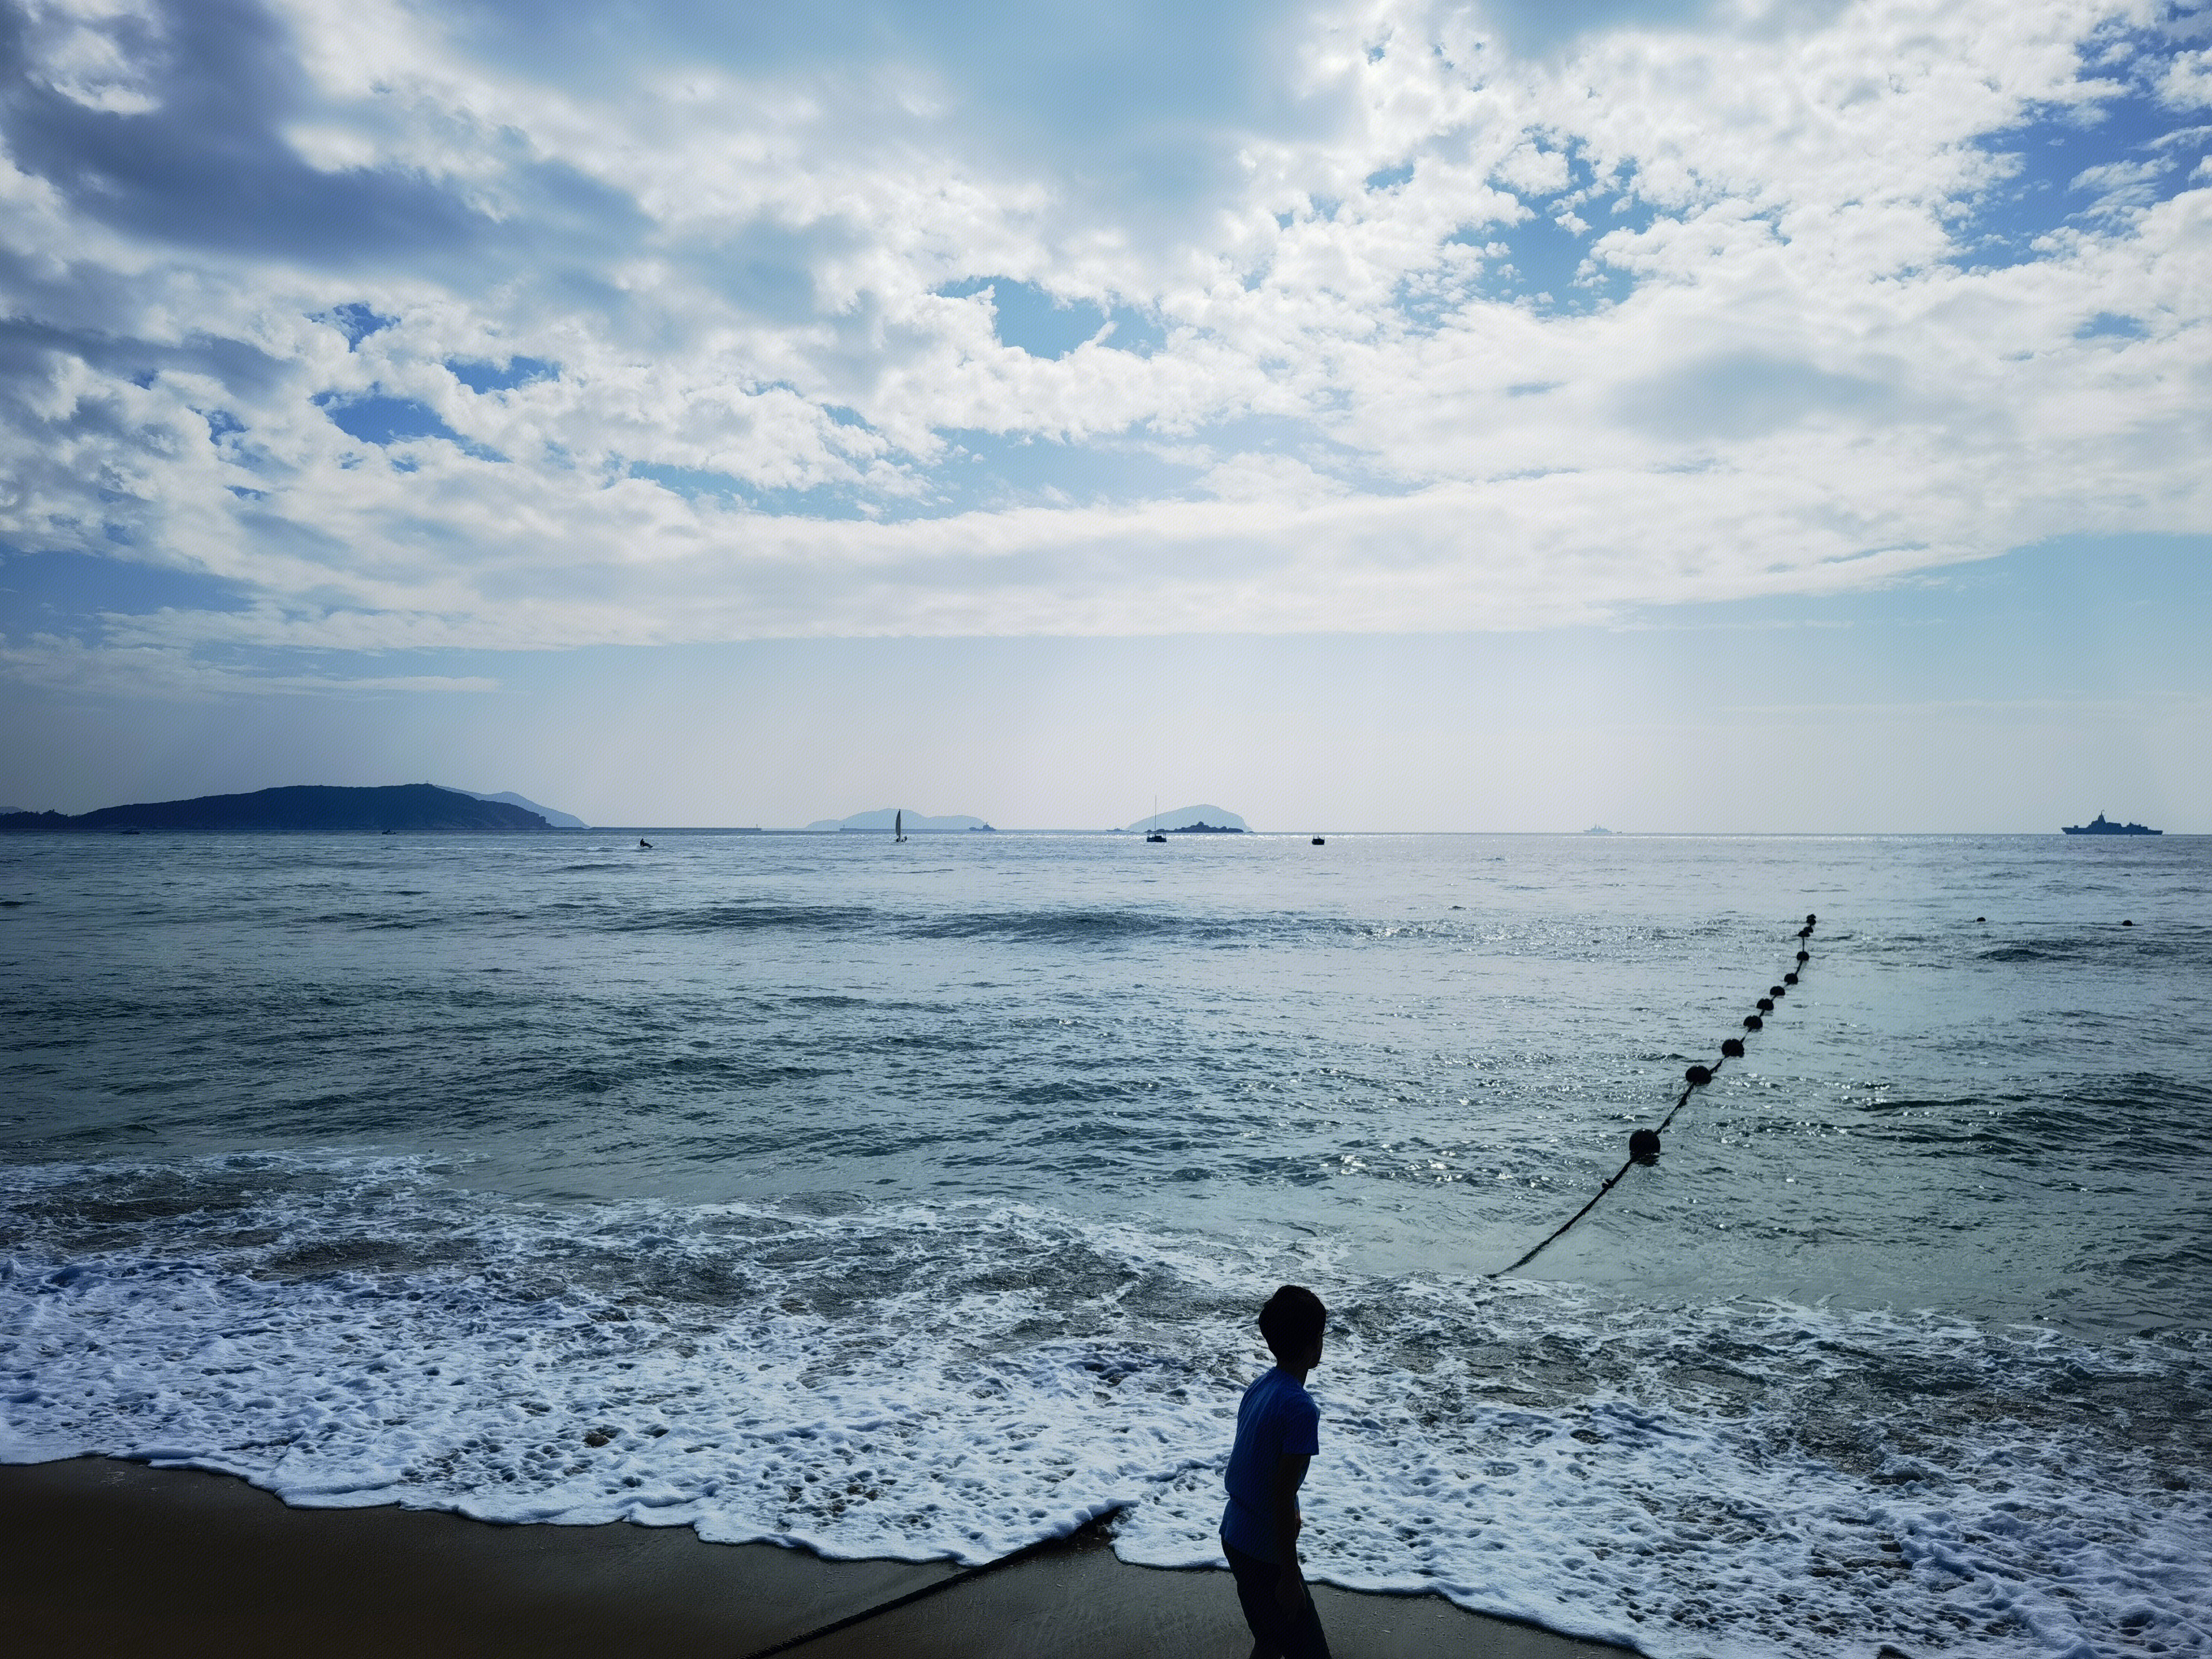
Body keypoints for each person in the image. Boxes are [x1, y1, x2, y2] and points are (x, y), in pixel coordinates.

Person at [1221, 1284, 1331, 1659]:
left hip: (1235, 1533)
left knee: (1269, 1641)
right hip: (1265, 1550)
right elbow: (1281, 1495)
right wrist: (1288, 1575)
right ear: (1312, 1345)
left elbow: (1255, 1460)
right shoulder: (1301, 1409)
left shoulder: (1262, 1385)